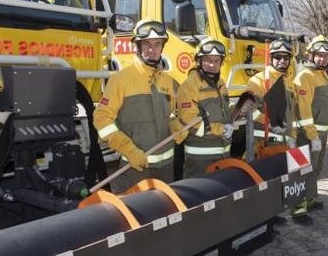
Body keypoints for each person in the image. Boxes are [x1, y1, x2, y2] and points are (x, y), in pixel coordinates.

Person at [93, 18, 185, 193]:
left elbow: (173, 113)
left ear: (162, 47)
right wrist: (129, 150)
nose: (152, 49)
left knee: (165, 214)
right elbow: (102, 119)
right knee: (133, 216)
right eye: (147, 44)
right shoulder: (120, 79)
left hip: (166, 168)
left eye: (157, 44)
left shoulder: (168, 81)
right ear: (138, 46)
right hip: (134, 168)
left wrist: (175, 124)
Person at [247, 38, 306, 225]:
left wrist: (293, 137)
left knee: (282, 179)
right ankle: (264, 217)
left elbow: (292, 114)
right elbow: (249, 110)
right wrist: (270, 123)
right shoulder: (257, 81)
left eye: (285, 57)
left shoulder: (289, 82)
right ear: (270, 58)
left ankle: (278, 212)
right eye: (278, 57)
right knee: (264, 180)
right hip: (265, 142)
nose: (282, 61)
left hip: (285, 140)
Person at [176, 38, 234, 178]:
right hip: (200, 160)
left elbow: (224, 109)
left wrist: (240, 109)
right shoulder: (189, 86)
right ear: (199, 61)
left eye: (216, 61)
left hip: (223, 155)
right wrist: (221, 129)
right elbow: (190, 123)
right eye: (208, 60)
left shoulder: (221, 83)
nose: (212, 65)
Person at [294, 35, 328, 213]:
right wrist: (312, 135)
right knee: (300, 171)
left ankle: (309, 200)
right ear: (310, 55)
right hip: (305, 135)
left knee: (314, 170)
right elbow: (303, 110)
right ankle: (298, 210)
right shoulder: (305, 75)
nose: (322, 58)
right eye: (319, 55)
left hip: (320, 134)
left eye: (326, 56)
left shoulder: (321, 74)